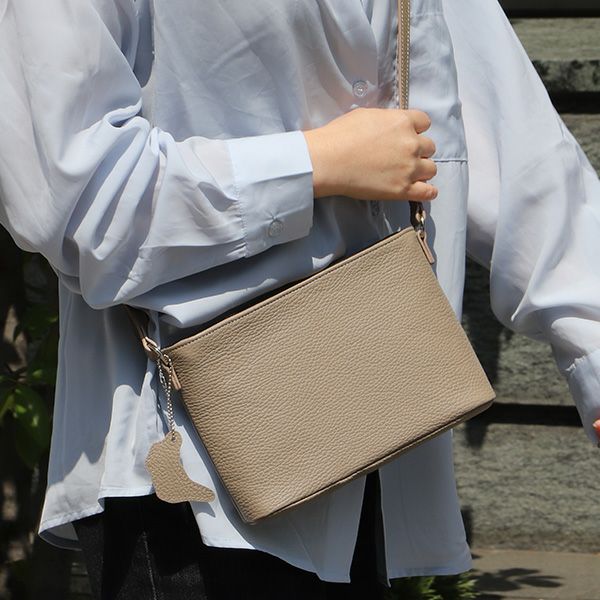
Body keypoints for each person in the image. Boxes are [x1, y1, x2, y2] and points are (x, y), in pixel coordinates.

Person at [1, 0, 599, 598]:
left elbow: (509, 133)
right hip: (191, 478)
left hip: (379, 436)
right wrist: (312, 164)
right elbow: (71, 200)